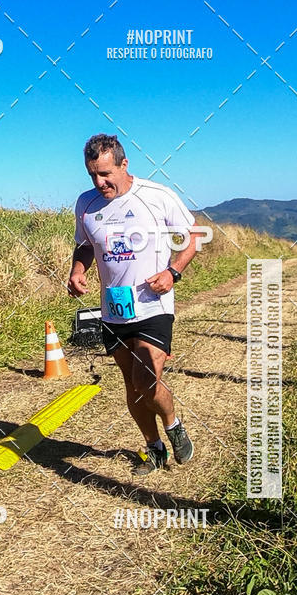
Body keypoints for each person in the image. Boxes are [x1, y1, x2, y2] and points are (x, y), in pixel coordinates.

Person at [68, 133, 199, 473]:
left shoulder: (157, 196)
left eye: (105, 174)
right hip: (114, 308)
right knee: (132, 386)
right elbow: (85, 245)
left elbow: (191, 238)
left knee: (146, 380)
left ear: (124, 165)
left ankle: (173, 425)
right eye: (92, 174)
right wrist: (78, 270)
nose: (99, 182)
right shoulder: (85, 204)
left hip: (153, 304)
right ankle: (154, 448)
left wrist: (173, 272)